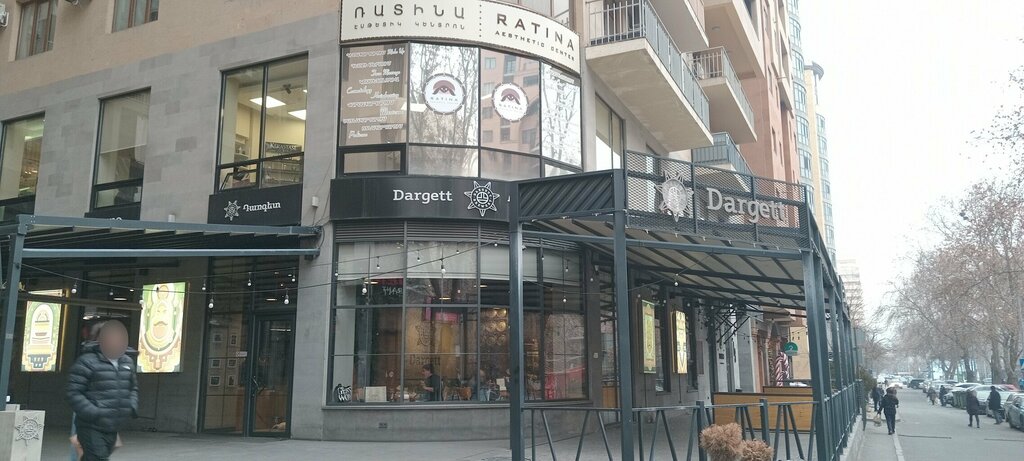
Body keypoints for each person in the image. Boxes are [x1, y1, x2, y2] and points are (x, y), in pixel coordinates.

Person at [67, 321, 138, 461]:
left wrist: (131, 405)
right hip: (90, 425)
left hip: (113, 425)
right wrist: (95, 412)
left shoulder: (127, 362)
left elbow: (133, 387)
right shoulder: (86, 362)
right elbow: (73, 393)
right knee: (99, 457)